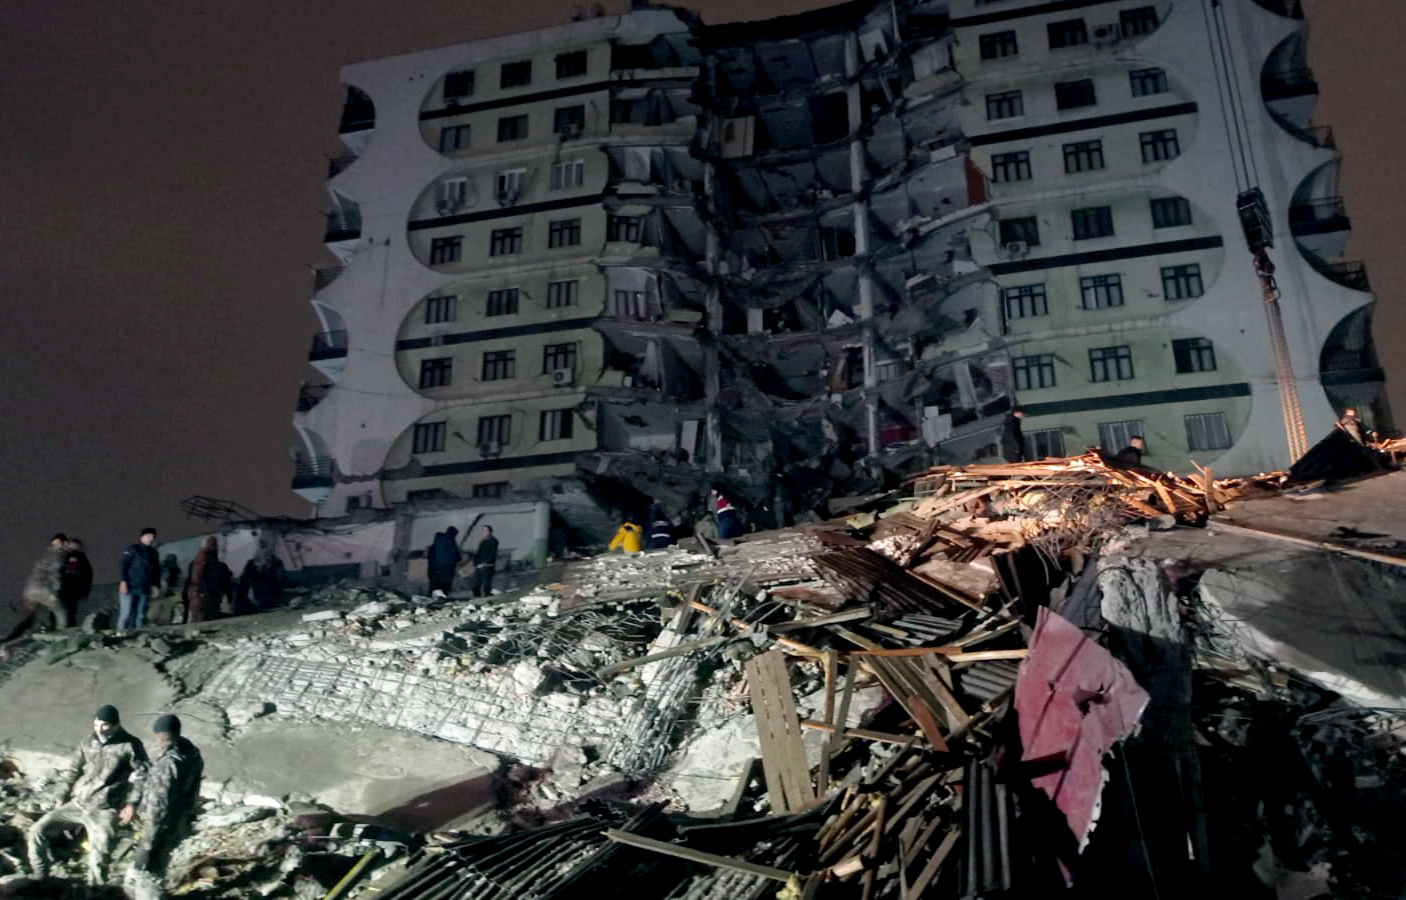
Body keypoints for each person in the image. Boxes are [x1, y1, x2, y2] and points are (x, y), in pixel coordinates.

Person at [28, 705, 148, 885]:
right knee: (37, 831)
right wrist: (61, 795)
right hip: (78, 804)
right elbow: (73, 770)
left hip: (104, 809)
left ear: (116, 725)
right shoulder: (87, 741)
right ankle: (40, 877)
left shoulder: (130, 745)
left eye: (105, 725)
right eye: (96, 724)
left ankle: (95, 892)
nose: (99, 729)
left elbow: (142, 777)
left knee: (98, 856)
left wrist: (132, 805)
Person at [123, 715, 202, 900]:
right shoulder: (190, 752)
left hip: (160, 824)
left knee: (145, 870)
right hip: (180, 818)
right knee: (160, 866)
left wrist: (148, 839)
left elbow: (159, 805)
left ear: (158, 736)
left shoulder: (167, 763)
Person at [14, 534, 70, 637]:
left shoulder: (46, 555)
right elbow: (55, 574)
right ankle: (63, 636)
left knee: (31, 617)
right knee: (61, 612)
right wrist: (54, 592)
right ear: (65, 543)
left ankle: (19, 635)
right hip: (43, 589)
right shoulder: (60, 555)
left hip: (30, 590)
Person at [119, 528, 161, 630]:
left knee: (141, 614)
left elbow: (156, 570)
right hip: (130, 586)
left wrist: (156, 585)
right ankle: (120, 633)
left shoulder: (153, 553)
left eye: (153, 536)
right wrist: (123, 581)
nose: (151, 538)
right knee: (127, 613)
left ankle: (139, 634)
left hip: (144, 588)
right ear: (142, 537)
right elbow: (123, 565)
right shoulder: (133, 549)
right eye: (148, 536)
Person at [184, 537, 222, 624]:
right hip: (203, 593)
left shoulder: (206, 558)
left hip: (205, 593)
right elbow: (197, 576)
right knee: (201, 617)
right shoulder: (203, 557)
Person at [59, 538, 93, 629]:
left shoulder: (81, 558)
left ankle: (69, 627)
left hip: (73, 589)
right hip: (62, 588)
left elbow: (87, 574)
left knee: (70, 610)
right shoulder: (62, 556)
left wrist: (85, 589)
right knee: (60, 609)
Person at [428, 526, 462, 594]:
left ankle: (433, 597)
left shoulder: (437, 542)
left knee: (435, 586)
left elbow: (431, 557)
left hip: (436, 568)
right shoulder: (451, 541)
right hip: (447, 568)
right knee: (445, 586)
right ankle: (443, 598)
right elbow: (456, 555)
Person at [469, 525, 499, 598]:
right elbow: (478, 553)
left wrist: (485, 563)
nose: (484, 532)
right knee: (476, 584)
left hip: (488, 566)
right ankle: (477, 598)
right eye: (483, 531)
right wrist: (476, 563)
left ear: (490, 531)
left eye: (486, 530)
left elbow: (492, 554)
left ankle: (486, 599)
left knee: (486, 585)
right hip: (480, 566)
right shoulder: (482, 542)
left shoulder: (493, 541)